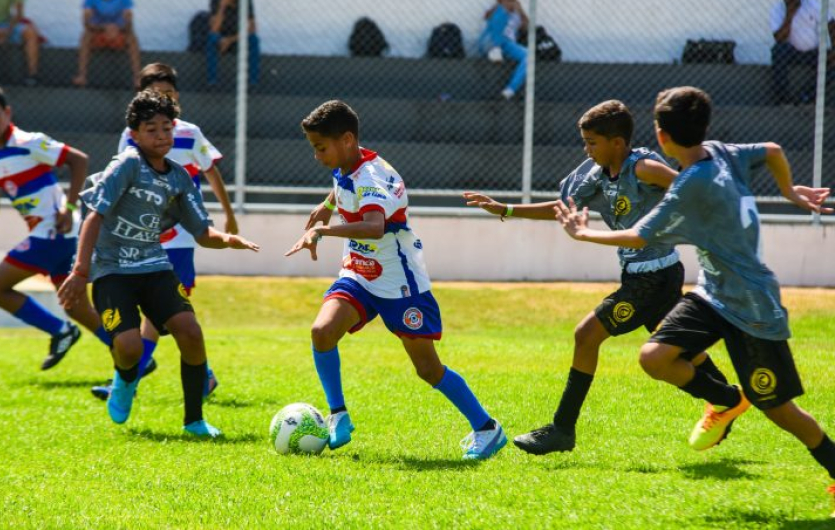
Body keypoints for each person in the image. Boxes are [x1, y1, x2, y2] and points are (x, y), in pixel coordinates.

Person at [555, 86, 835, 513]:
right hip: (711, 294)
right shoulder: (723, 152)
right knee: (654, 357)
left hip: (752, 306)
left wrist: (582, 233)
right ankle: (726, 401)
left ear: (662, 136)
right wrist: (789, 191)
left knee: (778, 409)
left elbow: (639, 236)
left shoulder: (689, 186)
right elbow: (774, 150)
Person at [465, 99, 728, 456]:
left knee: (586, 335)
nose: (586, 150)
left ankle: (562, 429)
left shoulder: (643, 168)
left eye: (592, 142)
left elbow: (687, 185)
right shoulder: (599, 175)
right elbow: (563, 209)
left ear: (617, 143)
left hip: (652, 279)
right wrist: (506, 209)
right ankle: (726, 399)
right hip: (650, 274)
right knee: (683, 351)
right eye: (585, 142)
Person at [285, 100, 506, 460]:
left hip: (399, 283)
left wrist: (323, 230)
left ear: (346, 139)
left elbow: (374, 227)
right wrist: (327, 206)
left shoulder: (372, 177)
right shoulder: (349, 162)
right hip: (359, 273)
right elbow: (343, 184)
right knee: (322, 331)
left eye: (320, 147)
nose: (316, 156)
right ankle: (338, 414)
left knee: (428, 369)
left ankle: (487, 428)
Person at [57, 90, 259, 437]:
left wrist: (227, 239)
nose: (162, 135)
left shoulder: (180, 178)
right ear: (134, 135)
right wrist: (80, 271)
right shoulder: (127, 164)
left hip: (155, 267)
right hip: (112, 271)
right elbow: (94, 215)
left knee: (191, 333)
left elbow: (202, 232)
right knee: (129, 348)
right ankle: (124, 380)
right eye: (151, 129)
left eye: (167, 128)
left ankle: (194, 421)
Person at [89, 62, 239, 400]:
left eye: (169, 93)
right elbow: (123, 181)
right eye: (156, 94)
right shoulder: (131, 136)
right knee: (161, 315)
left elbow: (211, 171)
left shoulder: (189, 133)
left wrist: (229, 215)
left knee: (162, 314)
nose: (164, 100)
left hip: (181, 234)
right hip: (143, 234)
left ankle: (127, 382)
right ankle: (201, 376)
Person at [0, 84, 112, 369]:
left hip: (54, 232)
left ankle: (61, 331)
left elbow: (78, 160)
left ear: (7, 112)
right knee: (75, 306)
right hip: (52, 235)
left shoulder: (29, 142)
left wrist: (69, 207)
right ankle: (135, 358)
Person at [769, 0, 835, 104]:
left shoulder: (812, 4)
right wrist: (790, 14)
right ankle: (783, 100)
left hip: (813, 52)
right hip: (791, 52)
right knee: (777, 50)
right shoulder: (777, 10)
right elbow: (779, 38)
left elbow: (831, 24)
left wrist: (834, 49)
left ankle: (806, 96)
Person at [72, 0, 141, 88]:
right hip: (98, 30)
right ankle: (82, 76)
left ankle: (138, 78)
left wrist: (117, 29)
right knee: (85, 36)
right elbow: (86, 22)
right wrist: (105, 28)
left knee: (132, 38)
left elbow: (129, 22)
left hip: (119, 31)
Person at [206, 0, 260, 86]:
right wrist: (222, 6)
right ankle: (212, 81)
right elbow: (214, 28)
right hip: (220, 38)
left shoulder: (246, 0)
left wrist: (230, 40)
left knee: (254, 39)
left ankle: (253, 82)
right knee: (212, 38)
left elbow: (252, 28)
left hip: (238, 38)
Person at [479, 0, 529, 100]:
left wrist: (520, 11)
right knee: (500, 14)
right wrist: (501, 7)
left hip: (507, 45)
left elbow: (526, 26)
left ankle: (510, 90)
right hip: (489, 43)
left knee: (528, 55)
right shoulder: (497, 9)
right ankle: (496, 48)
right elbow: (487, 17)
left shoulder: (517, 11)